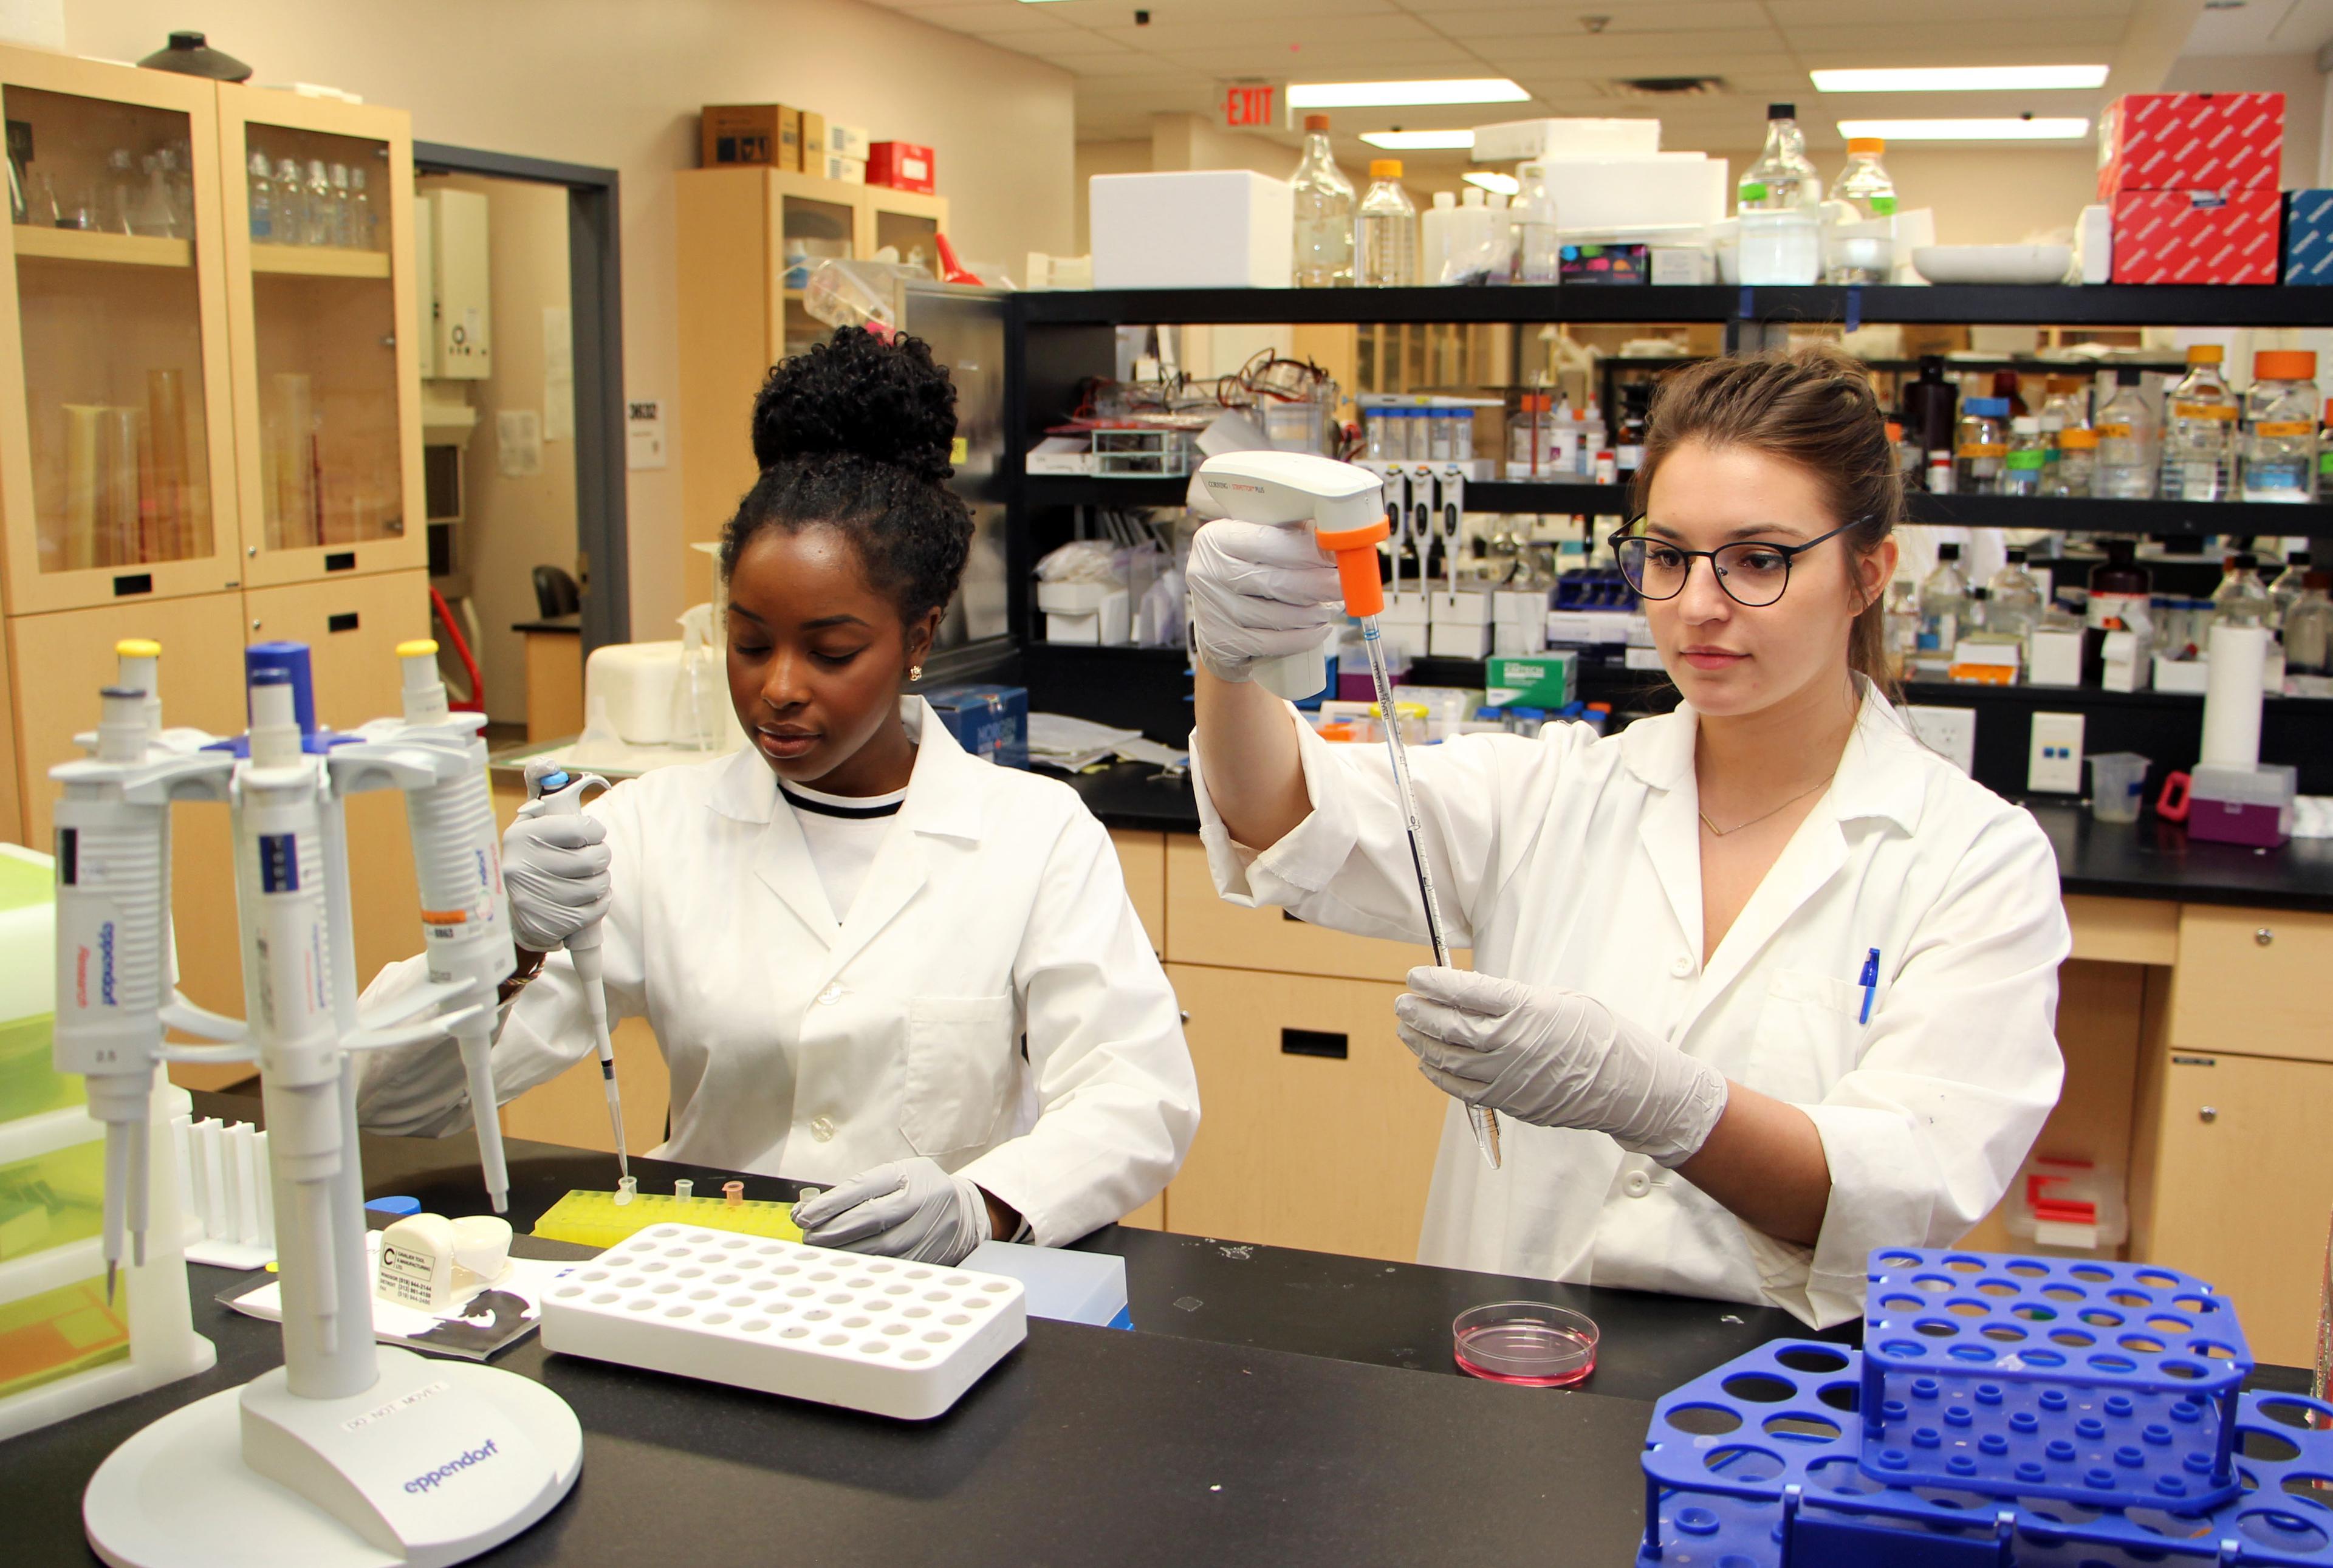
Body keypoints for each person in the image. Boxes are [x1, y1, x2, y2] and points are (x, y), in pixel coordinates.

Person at [1184, 348, 2065, 1326]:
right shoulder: (1559, 789)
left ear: (1868, 574)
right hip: (1504, 1385)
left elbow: (1901, 1188)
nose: (1698, 605)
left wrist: (1659, 1102)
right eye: (1669, 554)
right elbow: (1284, 814)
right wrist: (1231, 658)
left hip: (1766, 1419)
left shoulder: (1975, 860)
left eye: (1760, 559)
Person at [360, 327, 1199, 1264]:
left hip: (939, 1305)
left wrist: (984, 1204)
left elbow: (1137, 1095)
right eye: (751, 642)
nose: (780, 686)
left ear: (918, 635)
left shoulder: (1035, 836)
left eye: (832, 651)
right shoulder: (649, 831)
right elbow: (396, 1103)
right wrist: (499, 940)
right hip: (709, 1283)